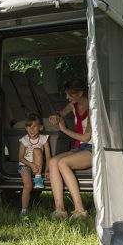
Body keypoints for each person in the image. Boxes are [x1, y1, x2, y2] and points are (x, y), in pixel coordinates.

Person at [47, 79, 92, 220]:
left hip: (94, 148)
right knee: (53, 162)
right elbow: (61, 113)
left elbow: (86, 137)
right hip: (81, 147)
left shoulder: (93, 108)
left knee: (63, 163)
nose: (67, 97)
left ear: (80, 93)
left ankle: (80, 210)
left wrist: (64, 129)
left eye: (70, 94)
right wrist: (56, 116)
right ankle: (60, 210)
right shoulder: (74, 104)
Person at [17, 113, 51, 218]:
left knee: (37, 150)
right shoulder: (24, 140)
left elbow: (48, 157)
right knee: (28, 185)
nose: (31, 129)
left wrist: (47, 170)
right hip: (25, 165)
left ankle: (38, 177)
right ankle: (24, 210)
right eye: (29, 127)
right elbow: (20, 158)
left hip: (38, 165)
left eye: (34, 126)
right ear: (26, 128)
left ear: (40, 127)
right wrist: (30, 165)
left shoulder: (44, 139)